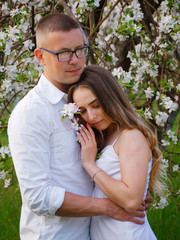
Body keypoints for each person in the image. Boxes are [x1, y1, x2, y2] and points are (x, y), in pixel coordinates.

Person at [8, 13, 151, 240]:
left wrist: (132, 190)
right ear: (41, 57)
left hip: (98, 232)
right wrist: (107, 206)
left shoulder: (88, 100)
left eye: (80, 49)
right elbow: (38, 197)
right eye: (63, 53)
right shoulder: (30, 114)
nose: (75, 60)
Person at [68, 64, 167, 240]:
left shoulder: (131, 136)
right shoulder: (104, 137)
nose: (90, 116)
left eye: (96, 105)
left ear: (110, 97)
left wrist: (90, 165)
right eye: (82, 111)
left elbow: (130, 201)